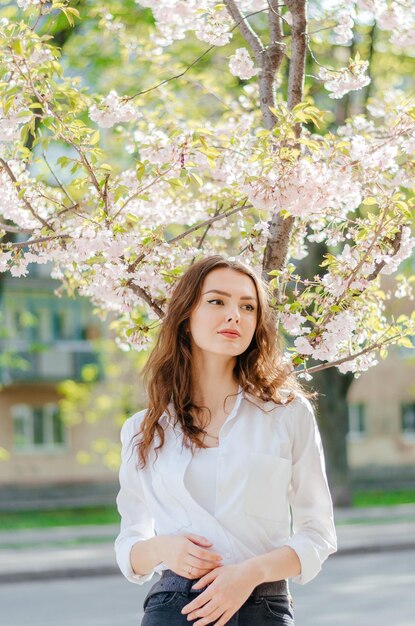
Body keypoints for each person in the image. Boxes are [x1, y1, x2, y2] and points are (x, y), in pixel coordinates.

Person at [114, 255, 337, 626]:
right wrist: (162, 548)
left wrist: (249, 574)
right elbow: (129, 547)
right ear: (186, 317)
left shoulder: (286, 414)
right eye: (217, 301)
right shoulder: (143, 429)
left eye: (247, 306)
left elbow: (318, 534)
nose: (235, 315)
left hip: (262, 607)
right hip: (175, 607)